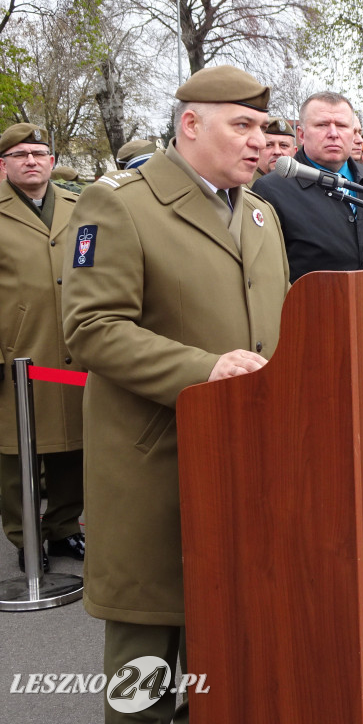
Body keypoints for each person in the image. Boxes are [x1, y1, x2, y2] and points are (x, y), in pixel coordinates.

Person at [62, 65, 290, 724]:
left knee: (233, 664)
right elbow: (91, 329)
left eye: (264, 127)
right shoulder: (119, 204)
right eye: (242, 125)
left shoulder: (259, 214)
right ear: (190, 124)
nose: (259, 140)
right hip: (158, 468)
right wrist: (205, 368)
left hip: (246, 469)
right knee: (146, 679)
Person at [0, 122, 85, 573]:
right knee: (17, 451)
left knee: (74, 442)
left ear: (52, 161)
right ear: (5, 165)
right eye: (20, 155)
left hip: (72, 347)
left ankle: (64, 526)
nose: (31, 161)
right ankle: (24, 536)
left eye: (38, 153)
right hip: (18, 351)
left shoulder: (79, 204)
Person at [252, 92, 363, 281]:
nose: (333, 133)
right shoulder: (271, 190)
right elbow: (266, 276)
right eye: (322, 125)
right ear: (302, 135)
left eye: (342, 125)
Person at [253, 116, 296, 181]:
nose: (277, 152)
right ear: (256, 150)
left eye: (284, 145)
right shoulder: (239, 188)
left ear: (295, 152)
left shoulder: (304, 187)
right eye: (269, 145)